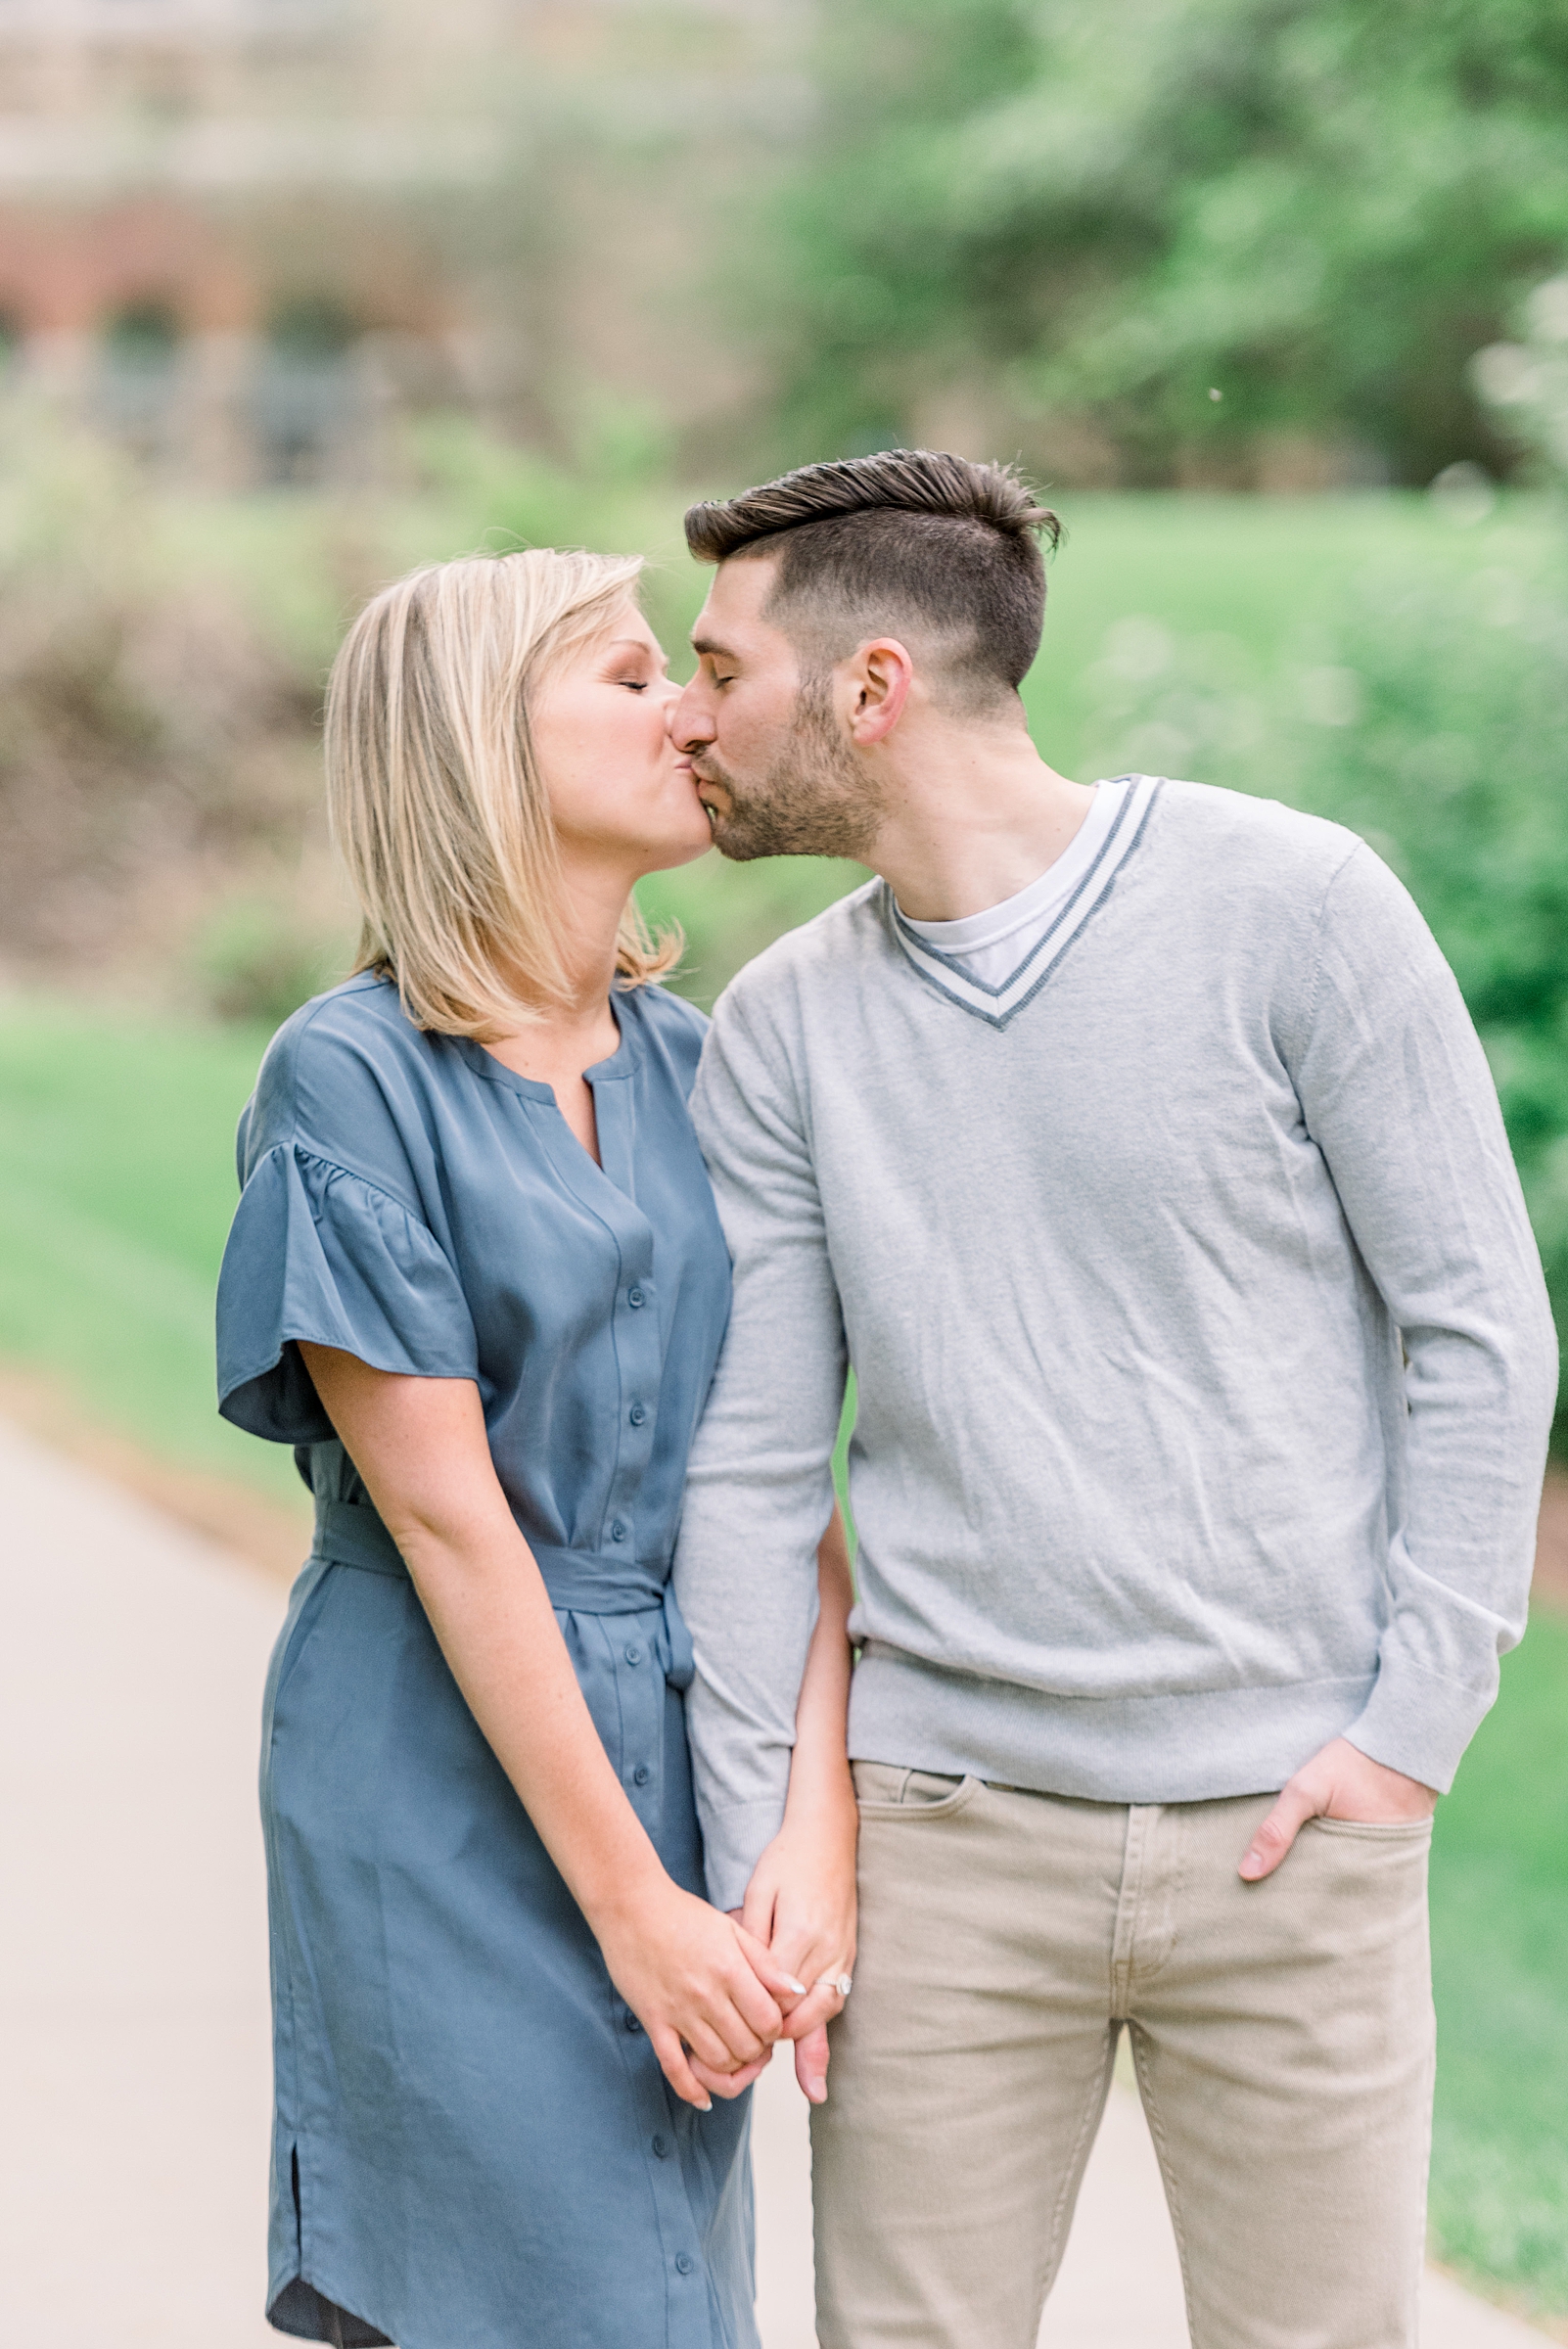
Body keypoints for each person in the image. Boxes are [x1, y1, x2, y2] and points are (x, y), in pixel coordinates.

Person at [668, 450, 1558, 2349]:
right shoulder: (783, 1031)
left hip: (1295, 1836)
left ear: (873, 686)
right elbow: (748, 1468)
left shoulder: (1296, 908)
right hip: (945, 1849)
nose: (693, 716)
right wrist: (773, 1843)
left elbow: (1479, 1326)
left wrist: (1411, 1730)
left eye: (722, 668)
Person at [214, 547, 856, 2349]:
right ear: (481, 745)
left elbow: (773, 1477)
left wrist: (810, 1824)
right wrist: (635, 1907)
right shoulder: (346, 1077)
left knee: (664, 2291)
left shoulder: (703, 1067)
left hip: (673, 1738)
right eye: (631, 675)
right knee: (501, 2295)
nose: (690, 711)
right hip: (436, 1767)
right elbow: (450, 1527)